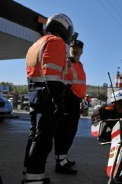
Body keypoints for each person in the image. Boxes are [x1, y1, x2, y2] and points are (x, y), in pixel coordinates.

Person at [23, 13, 74, 184]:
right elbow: (51, 73)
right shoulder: (56, 42)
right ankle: (34, 178)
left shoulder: (36, 44)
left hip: (34, 94)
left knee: (35, 135)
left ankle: (28, 171)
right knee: (43, 139)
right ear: (64, 27)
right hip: (48, 95)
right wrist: (58, 101)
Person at [54, 39, 86, 174]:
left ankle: (63, 158)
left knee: (71, 132)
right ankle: (60, 163)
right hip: (68, 100)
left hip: (76, 101)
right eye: (73, 48)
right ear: (70, 49)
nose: (75, 50)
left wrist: (81, 101)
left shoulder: (80, 65)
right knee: (64, 132)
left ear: (82, 51)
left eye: (78, 48)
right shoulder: (67, 63)